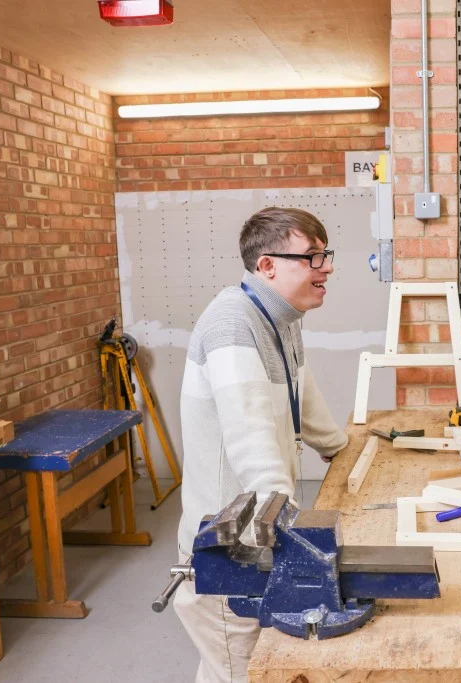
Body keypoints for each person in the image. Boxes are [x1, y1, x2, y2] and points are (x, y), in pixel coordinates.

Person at [173, 207, 349, 682]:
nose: (327, 267)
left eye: (326, 255)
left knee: (229, 668)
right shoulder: (233, 323)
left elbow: (299, 389)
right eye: (313, 257)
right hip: (230, 547)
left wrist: (337, 447)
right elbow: (248, 433)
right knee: (240, 670)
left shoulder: (281, 318)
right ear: (267, 265)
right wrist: (285, 521)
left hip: (258, 530)